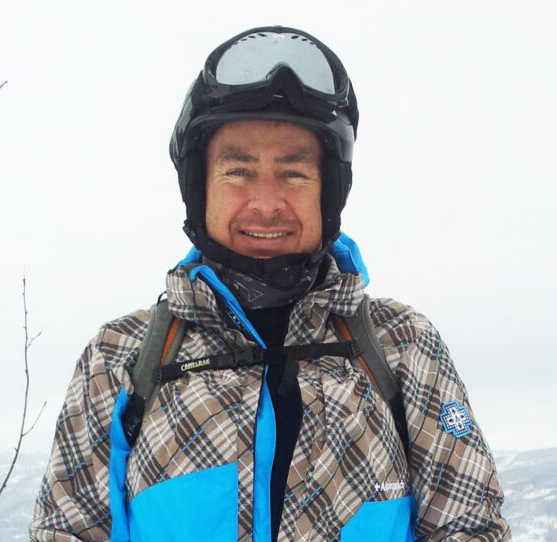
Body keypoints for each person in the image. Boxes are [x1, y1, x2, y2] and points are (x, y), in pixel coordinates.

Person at [30, 26, 510, 542]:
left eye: (293, 174)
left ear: (329, 192)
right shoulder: (121, 356)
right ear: (199, 187)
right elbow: (67, 531)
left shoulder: (400, 344)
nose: (265, 204)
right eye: (238, 171)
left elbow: (470, 526)